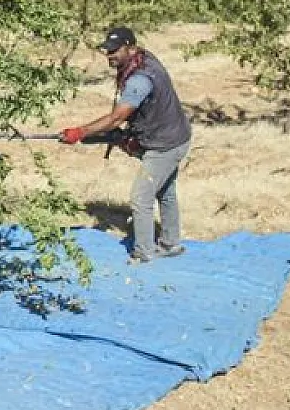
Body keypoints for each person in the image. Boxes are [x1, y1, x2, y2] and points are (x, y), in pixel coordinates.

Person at [59, 27, 194, 262]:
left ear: (130, 48)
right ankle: (171, 244)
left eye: (114, 50)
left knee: (140, 197)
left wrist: (79, 132)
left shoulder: (140, 80)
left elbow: (116, 118)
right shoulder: (144, 58)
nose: (109, 55)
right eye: (107, 51)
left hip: (164, 146)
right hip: (174, 136)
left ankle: (144, 253)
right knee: (165, 192)